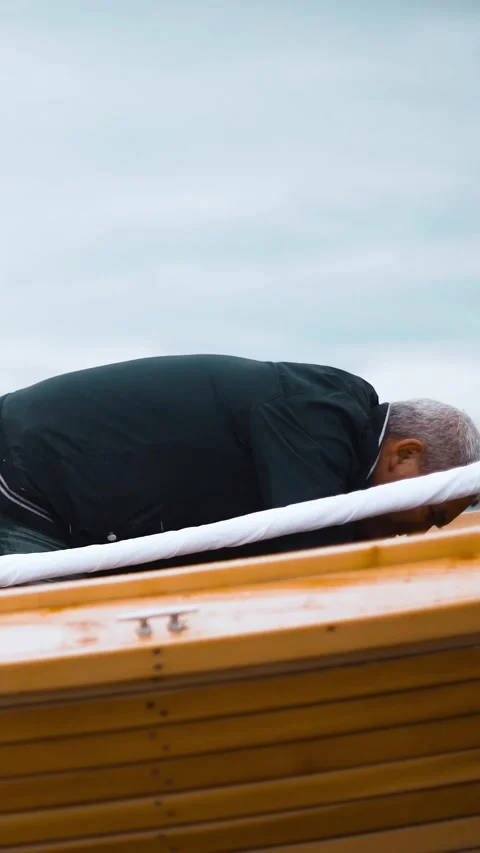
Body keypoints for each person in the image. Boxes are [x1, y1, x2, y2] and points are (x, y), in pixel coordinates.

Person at [0, 355, 478, 572]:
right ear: (406, 455)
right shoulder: (315, 415)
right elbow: (313, 558)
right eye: (431, 510)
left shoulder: (322, 420)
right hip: (22, 487)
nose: (419, 533)